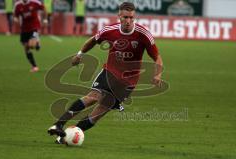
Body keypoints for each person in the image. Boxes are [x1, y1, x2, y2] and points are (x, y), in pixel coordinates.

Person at [48, 2, 163, 143]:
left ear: (135, 17)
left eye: (131, 18)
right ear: (119, 16)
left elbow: (157, 57)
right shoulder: (109, 30)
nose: (128, 21)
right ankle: (58, 124)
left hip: (128, 81)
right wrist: (80, 54)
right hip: (110, 72)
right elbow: (93, 40)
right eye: (125, 17)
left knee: (100, 111)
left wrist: (157, 74)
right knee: (93, 96)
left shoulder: (143, 34)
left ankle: (68, 136)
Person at [13, 0, 48, 72]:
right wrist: (15, 19)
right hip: (24, 29)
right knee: (26, 48)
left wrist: (45, 19)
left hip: (34, 27)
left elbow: (44, 9)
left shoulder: (35, 2)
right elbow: (15, 15)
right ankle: (34, 66)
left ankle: (37, 41)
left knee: (31, 45)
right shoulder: (18, 5)